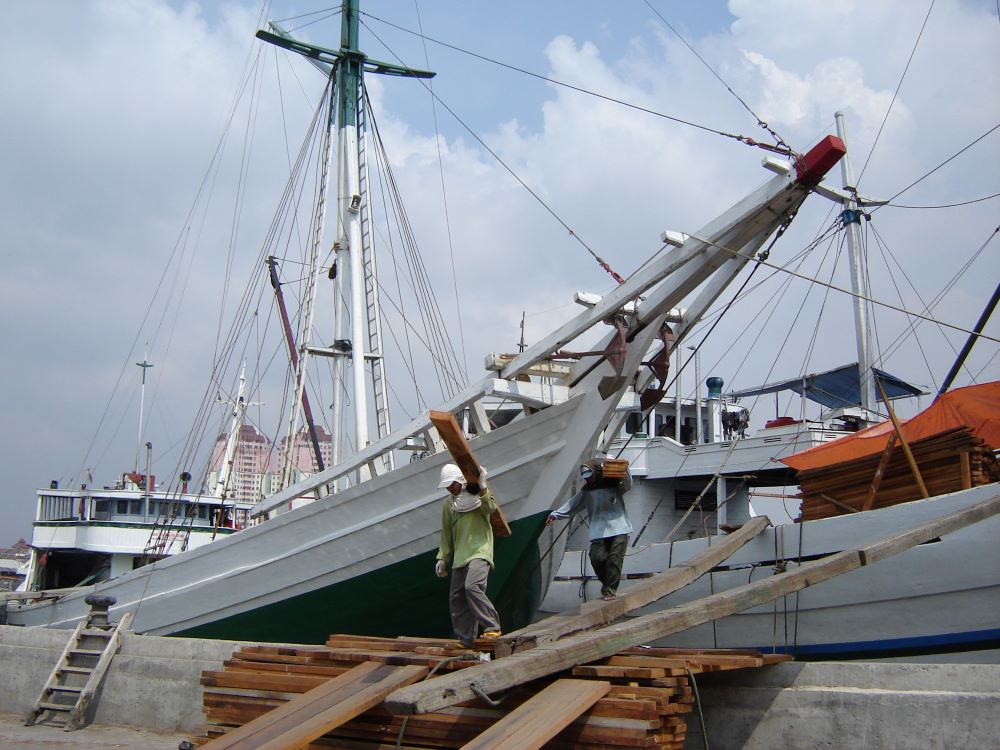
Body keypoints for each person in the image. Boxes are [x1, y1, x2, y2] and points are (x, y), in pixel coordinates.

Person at [435, 463, 502, 648]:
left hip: (480, 551)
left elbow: (490, 508)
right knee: (457, 598)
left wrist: (482, 486)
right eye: (448, 486)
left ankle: (492, 626)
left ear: (460, 481)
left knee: (472, 587)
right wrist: (443, 558)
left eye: (453, 484)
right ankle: (465, 638)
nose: (451, 488)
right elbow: (446, 533)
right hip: (460, 556)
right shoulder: (449, 506)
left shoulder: (476, 497)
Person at [546, 460, 632, 600]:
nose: (588, 479)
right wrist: (555, 515)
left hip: (619, 527)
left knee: (614, 559)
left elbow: (628, 485)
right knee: (596, 557)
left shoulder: (614, 485)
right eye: (585, 477)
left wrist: (626, 471)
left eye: (589, 476)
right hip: (598, 530)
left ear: (596, 473)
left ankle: (610, 590)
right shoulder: (587, 491)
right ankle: (608, 584)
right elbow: (573, 505)